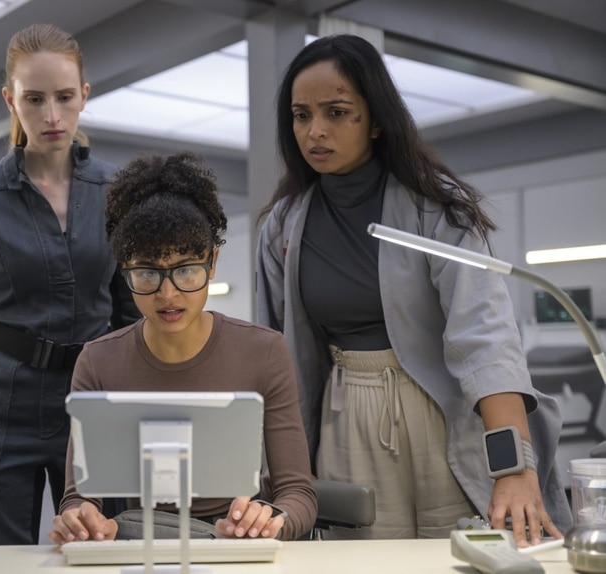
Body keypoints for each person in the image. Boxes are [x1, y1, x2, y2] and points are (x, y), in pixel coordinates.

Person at [255, 34, 572, 545]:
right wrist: (274, 474)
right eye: (300, 115)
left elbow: (485, 335)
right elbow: (270, 355)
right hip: (343, 415)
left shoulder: (437, 210)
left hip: (440, 409)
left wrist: (515, 467)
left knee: (462, 549)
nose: (315, 131)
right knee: (358, 554)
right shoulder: (283, 227)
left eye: (337, 112)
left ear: (376, 120)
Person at [0, 23, 141, 545]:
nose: (51, 116)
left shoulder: (119, 192)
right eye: (34, 99)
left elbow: (132, 320)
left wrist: (145, 413)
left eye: (65, 97)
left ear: (84, 96)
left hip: (95, 402)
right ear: (11, 100)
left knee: (105, 554)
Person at [47, 152, 318, 544]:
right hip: (140, 541)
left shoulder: (264, 351)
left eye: (186, 269)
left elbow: (298, 492)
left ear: (212, 263)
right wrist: (82, 518)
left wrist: (272, 518)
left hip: (236, 539)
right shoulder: (98, 361)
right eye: (147, 273)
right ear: (124, 271)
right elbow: (78, 496)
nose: (168, 293)